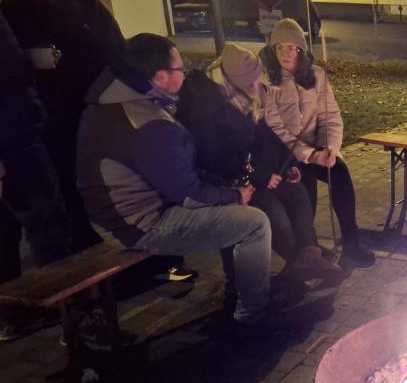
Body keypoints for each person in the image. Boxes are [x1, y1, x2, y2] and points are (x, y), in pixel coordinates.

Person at [76, 34, 272, 324]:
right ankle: (252, 312)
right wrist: (235, 195)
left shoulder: (121, 101)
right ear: (160, 77)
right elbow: (188, 194)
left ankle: (238, 290)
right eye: (179, 68)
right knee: (253, 223)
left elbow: (174, 172)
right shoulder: (147, 123)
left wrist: (225, 189)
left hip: (126, 211)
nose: (185, 73)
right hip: (138, 224)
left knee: (230, 210)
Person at [175, 43, 343, 290]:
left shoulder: (243, 94)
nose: (258, 87)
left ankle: (309, 255)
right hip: (226, 180)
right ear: (235, 81)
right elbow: (213, 157)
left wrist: (287, 164)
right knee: (272, 209)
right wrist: (260, 176)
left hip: (253, 171)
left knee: (297, 193)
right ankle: (296, 264)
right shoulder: (204, 105)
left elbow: (263, 133)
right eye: (252, 82)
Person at [1, 0, 125, 252]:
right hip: (52, 125)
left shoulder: (88, 7)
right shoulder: (17, 13)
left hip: (95, 118)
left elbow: (115, 51)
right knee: (62, 209)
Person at [0, 0, 71, 340]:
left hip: (17, 132)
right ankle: (65, 313)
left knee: (10, 229)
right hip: (14, 139)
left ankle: (16, 312)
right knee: (45, 223)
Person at [260, 19, 376, 267]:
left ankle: (351, 244)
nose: (285, 54)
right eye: (280, 48)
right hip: (286, 153)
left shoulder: (316, 76)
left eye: (292, 48)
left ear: (301, 51)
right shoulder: (267, 82)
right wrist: (309, 155)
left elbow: (330, 116)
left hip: (317, 148)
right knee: (306, 184)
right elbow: (276, 128)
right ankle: (307, 250)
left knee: (340, 174)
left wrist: (330, 149)